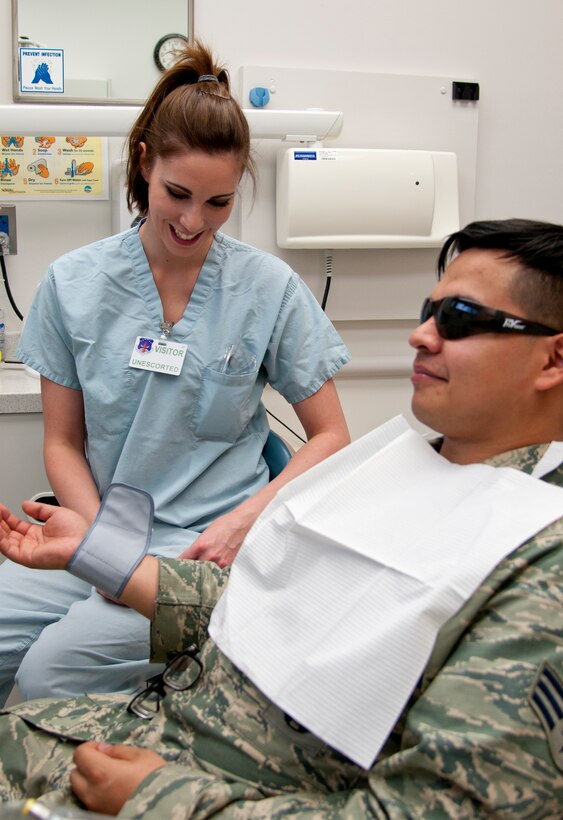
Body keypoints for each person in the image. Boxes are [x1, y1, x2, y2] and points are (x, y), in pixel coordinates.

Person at [0, 217, 562, 817]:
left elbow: (435, 809)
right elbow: (264, 599)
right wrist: (96, 555)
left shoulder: (538, 564)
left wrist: (162, 798)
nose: (420, 336)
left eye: (459, 319)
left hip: (208, 788)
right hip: (165, 725)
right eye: (429, 311)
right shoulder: (398, 469)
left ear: (554, 359)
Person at [0, 40, 351, 707]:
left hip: (202, 550)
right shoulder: (73, 284)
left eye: (218, 203)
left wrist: (247, 520)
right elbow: (62, 443)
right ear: (144, 164)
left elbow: (332, 436)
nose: (193, 222)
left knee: (50, 675)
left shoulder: (266, 288)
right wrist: (101, 545)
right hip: (96, 522)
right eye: (177, 194)